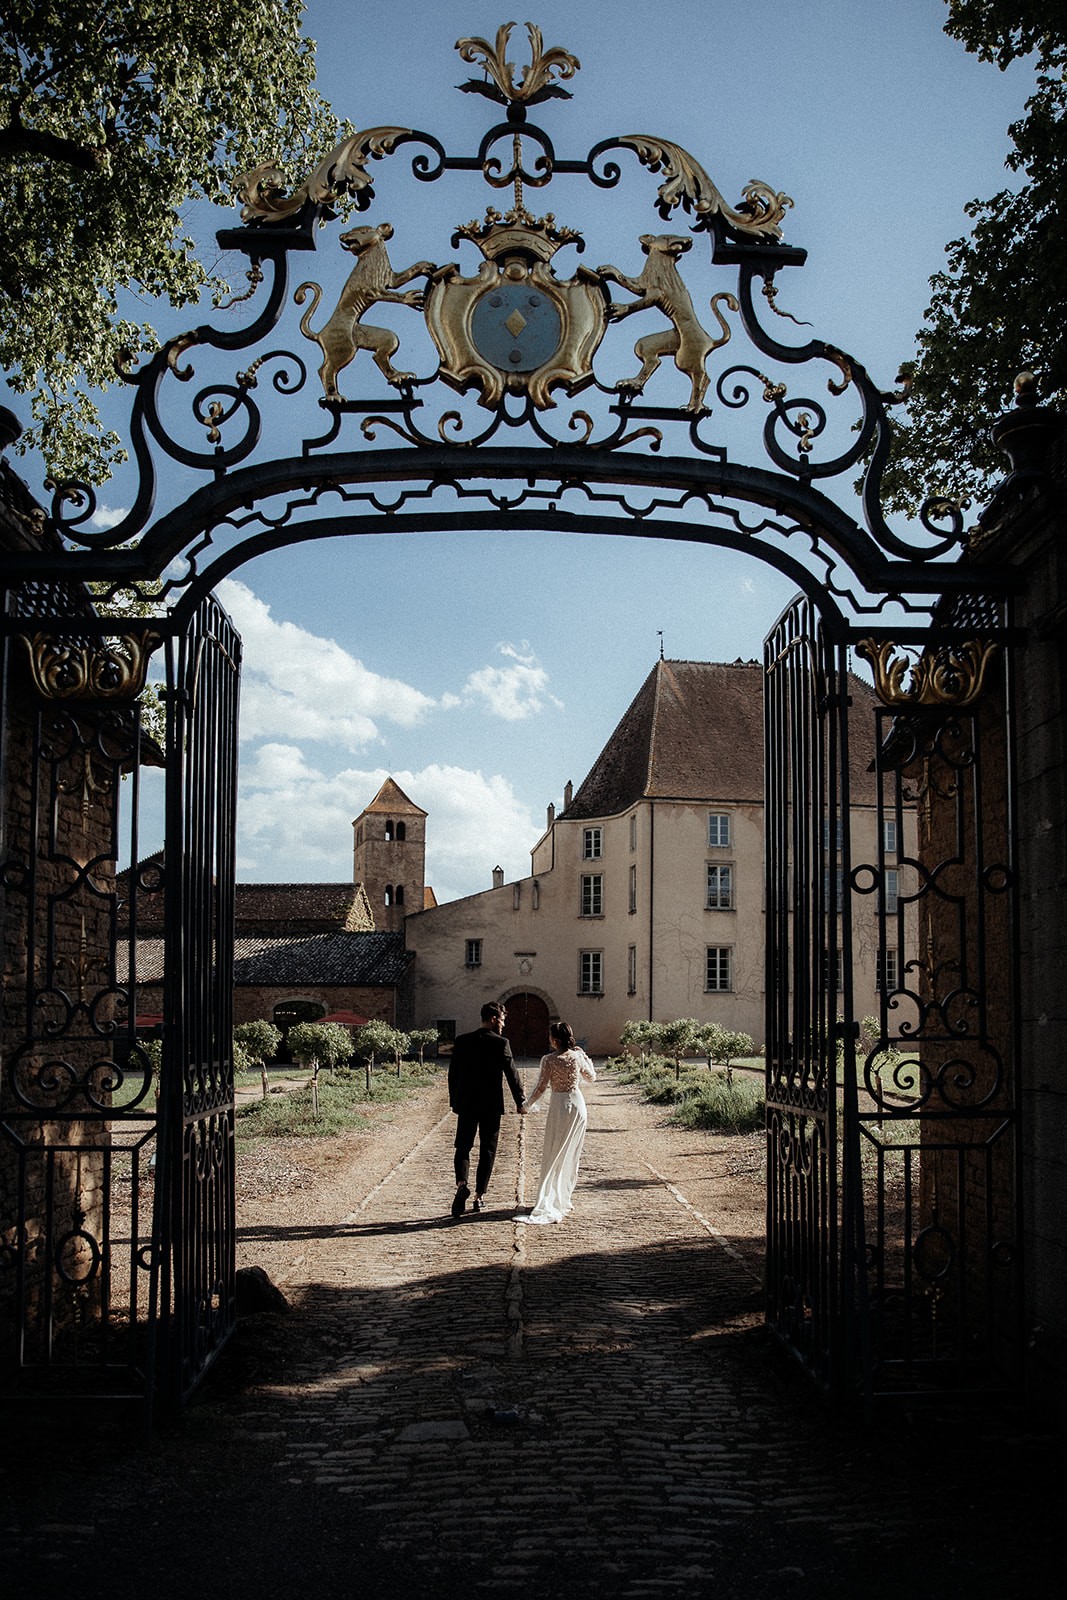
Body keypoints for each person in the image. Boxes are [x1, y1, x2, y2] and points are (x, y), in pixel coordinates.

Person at [448, 1001, 525, 1218]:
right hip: (490, 1105)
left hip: (466, 1104)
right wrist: (520, 1102)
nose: (503, 1024)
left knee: (462, 1147)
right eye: (502, 1020)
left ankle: (462, 1184)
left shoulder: (462, 1041)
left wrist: (455, 1100)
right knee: (487, 1151)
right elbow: (512, 1075)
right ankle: (479, 1196)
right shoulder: (500, 1043)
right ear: (493, 1019)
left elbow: (453, 1074)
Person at [517, 1021, 596, 1225]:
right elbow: (591, 1078)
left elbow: (541, 1088)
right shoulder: (577, 1056)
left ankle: (552, 1198)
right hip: (578, 1106)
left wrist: (526, 1106)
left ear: (554, 1039)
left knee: (553, 1152)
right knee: (570, 1154)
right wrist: (584, 1056)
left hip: (560, 1106)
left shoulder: (549, 1060)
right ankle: (563, 1197)